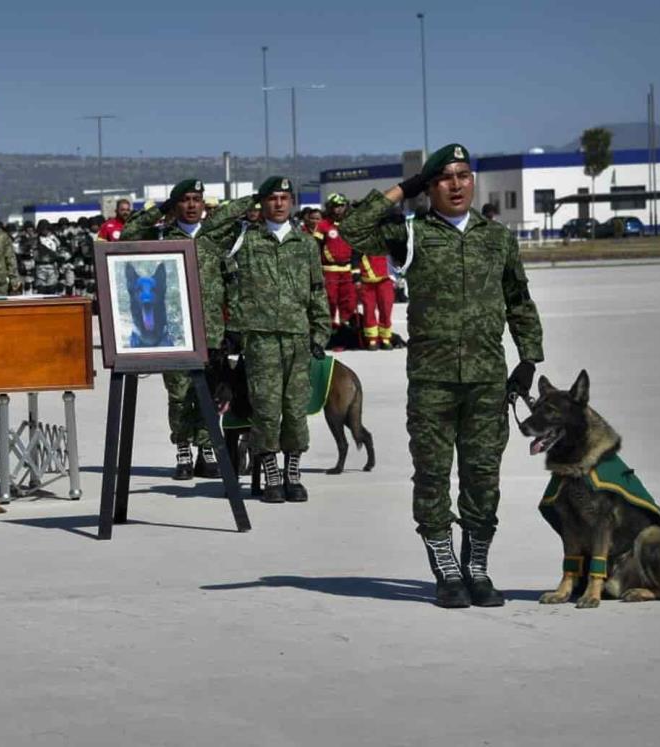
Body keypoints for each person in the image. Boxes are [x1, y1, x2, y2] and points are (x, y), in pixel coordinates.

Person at [339, 143, 544, 608]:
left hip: (487, 381)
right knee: (431, 477)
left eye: (464, 175)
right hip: (431, 383)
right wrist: (402, 189)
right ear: (430, 187)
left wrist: (529, 359)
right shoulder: (410, 235)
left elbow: (519, 300)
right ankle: (445, 569)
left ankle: (476, 567)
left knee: (482, 478)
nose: (457, 185)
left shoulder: (498, 239)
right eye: (445, 178)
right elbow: (351, 229)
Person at [199, 177, 330, 502]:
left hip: (298, 338)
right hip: (259, 341)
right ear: (263, 203)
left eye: (285, 197)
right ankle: (271, 473)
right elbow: (209, 231)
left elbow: (317, 290)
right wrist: (250, 199)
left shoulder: (306, 244)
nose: (279, 204)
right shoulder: (246, 240)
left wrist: (321, 330)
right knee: (266, 410)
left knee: (295, 409)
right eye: (272, 198)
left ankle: (293, 472)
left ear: (292, 202)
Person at [121, 179, 220, 479]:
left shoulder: (215, 238)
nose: (192, 205)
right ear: (175, 205)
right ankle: (183, 450)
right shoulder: (162, 238)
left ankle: (206, 449)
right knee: (178, 395)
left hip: (210, 331)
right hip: (175, 331)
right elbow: (128, 235)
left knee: (209, 393)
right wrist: (158, 211)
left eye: (197, 199)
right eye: (185, 200)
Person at [315, 194, 358, 337]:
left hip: (347, 270)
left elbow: (357, 249)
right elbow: (316, 248)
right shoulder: (323, 225)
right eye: (335, 206)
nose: (338, 209)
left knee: (349, 301)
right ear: (330, 207)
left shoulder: (351, 224)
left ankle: (346, 330)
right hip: (329, 270)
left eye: (341, 206)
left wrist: (356, 269)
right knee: (331, 300)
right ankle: (330, 329)